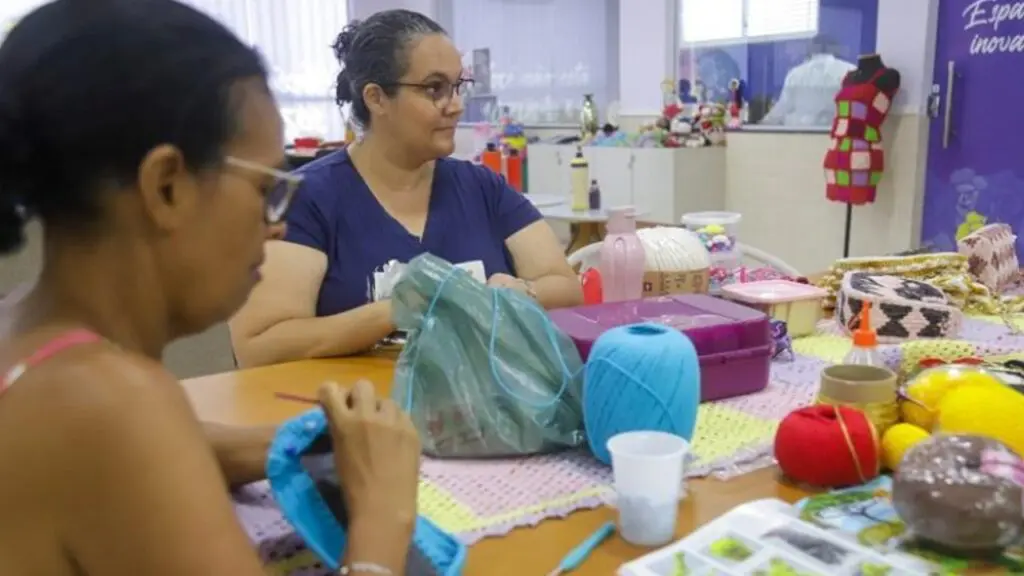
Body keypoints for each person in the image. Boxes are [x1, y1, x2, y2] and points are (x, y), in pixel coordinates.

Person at [0, 1, 419, 575]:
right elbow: (120, 439)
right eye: (266, 189)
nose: (277, 224)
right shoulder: (113, 405)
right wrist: (381, 520)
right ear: (167, 187)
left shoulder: (27, 340)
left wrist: (284, 445)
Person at [229, 10, 583, 369]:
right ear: (376, 98)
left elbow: (567, 288)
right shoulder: (309, 199)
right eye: (435, 89)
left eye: (458, 86)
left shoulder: (482, 188)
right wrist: (395, 310)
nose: (456, 105)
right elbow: (260, 345)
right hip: (357, 413)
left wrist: (521, 293)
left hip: (479, 411)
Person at [759, 34, 855, 127]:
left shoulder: (796, 73)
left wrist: (761, 125)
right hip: (834, 133)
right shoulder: (850, 70)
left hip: (800, 133)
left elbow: (784, 107)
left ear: (810, 49)